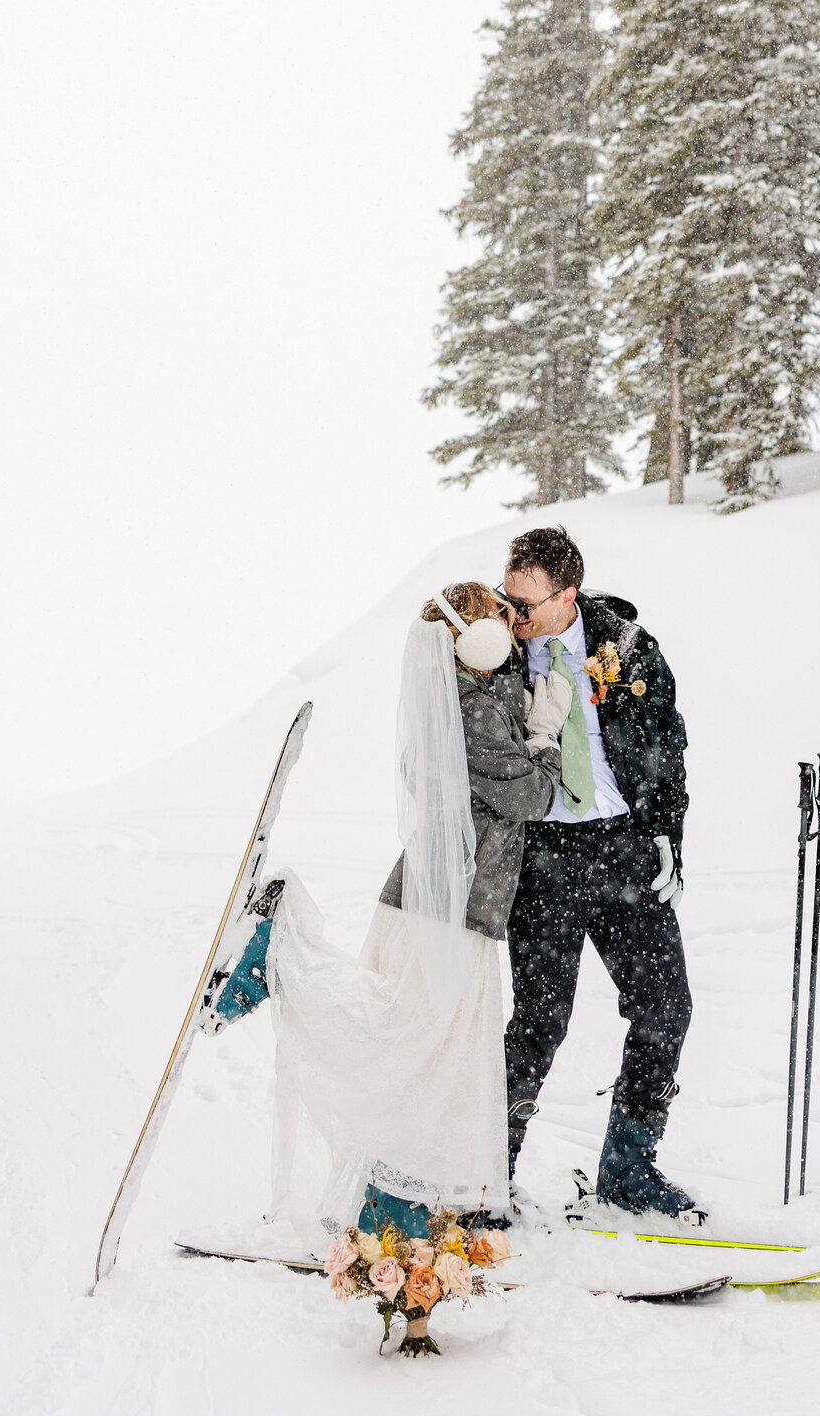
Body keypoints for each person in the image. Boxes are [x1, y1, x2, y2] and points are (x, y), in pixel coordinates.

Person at [208, 581, 572, 1249]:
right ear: (469, 637)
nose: (511, 626)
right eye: (498, 615)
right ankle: (282, 944)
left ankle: (392, 1198)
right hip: (447, 910)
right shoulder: (469, 707)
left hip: (441, 903)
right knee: (415, 1054)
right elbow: (532, 796)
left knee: (419, 1057)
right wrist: (547, 734)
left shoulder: (468, 695)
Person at [499, 525, 701, 1222]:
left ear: (568, 596)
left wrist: (667, 835)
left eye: (526, 604)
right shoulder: (494, 656)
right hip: (543, 860)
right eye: (507, 597)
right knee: (538, 1024)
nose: (513, 614)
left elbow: (667, 746)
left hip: (621, 853)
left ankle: (628, 1168)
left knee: (666, 1008)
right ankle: (487, 1172)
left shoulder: (629, 648)